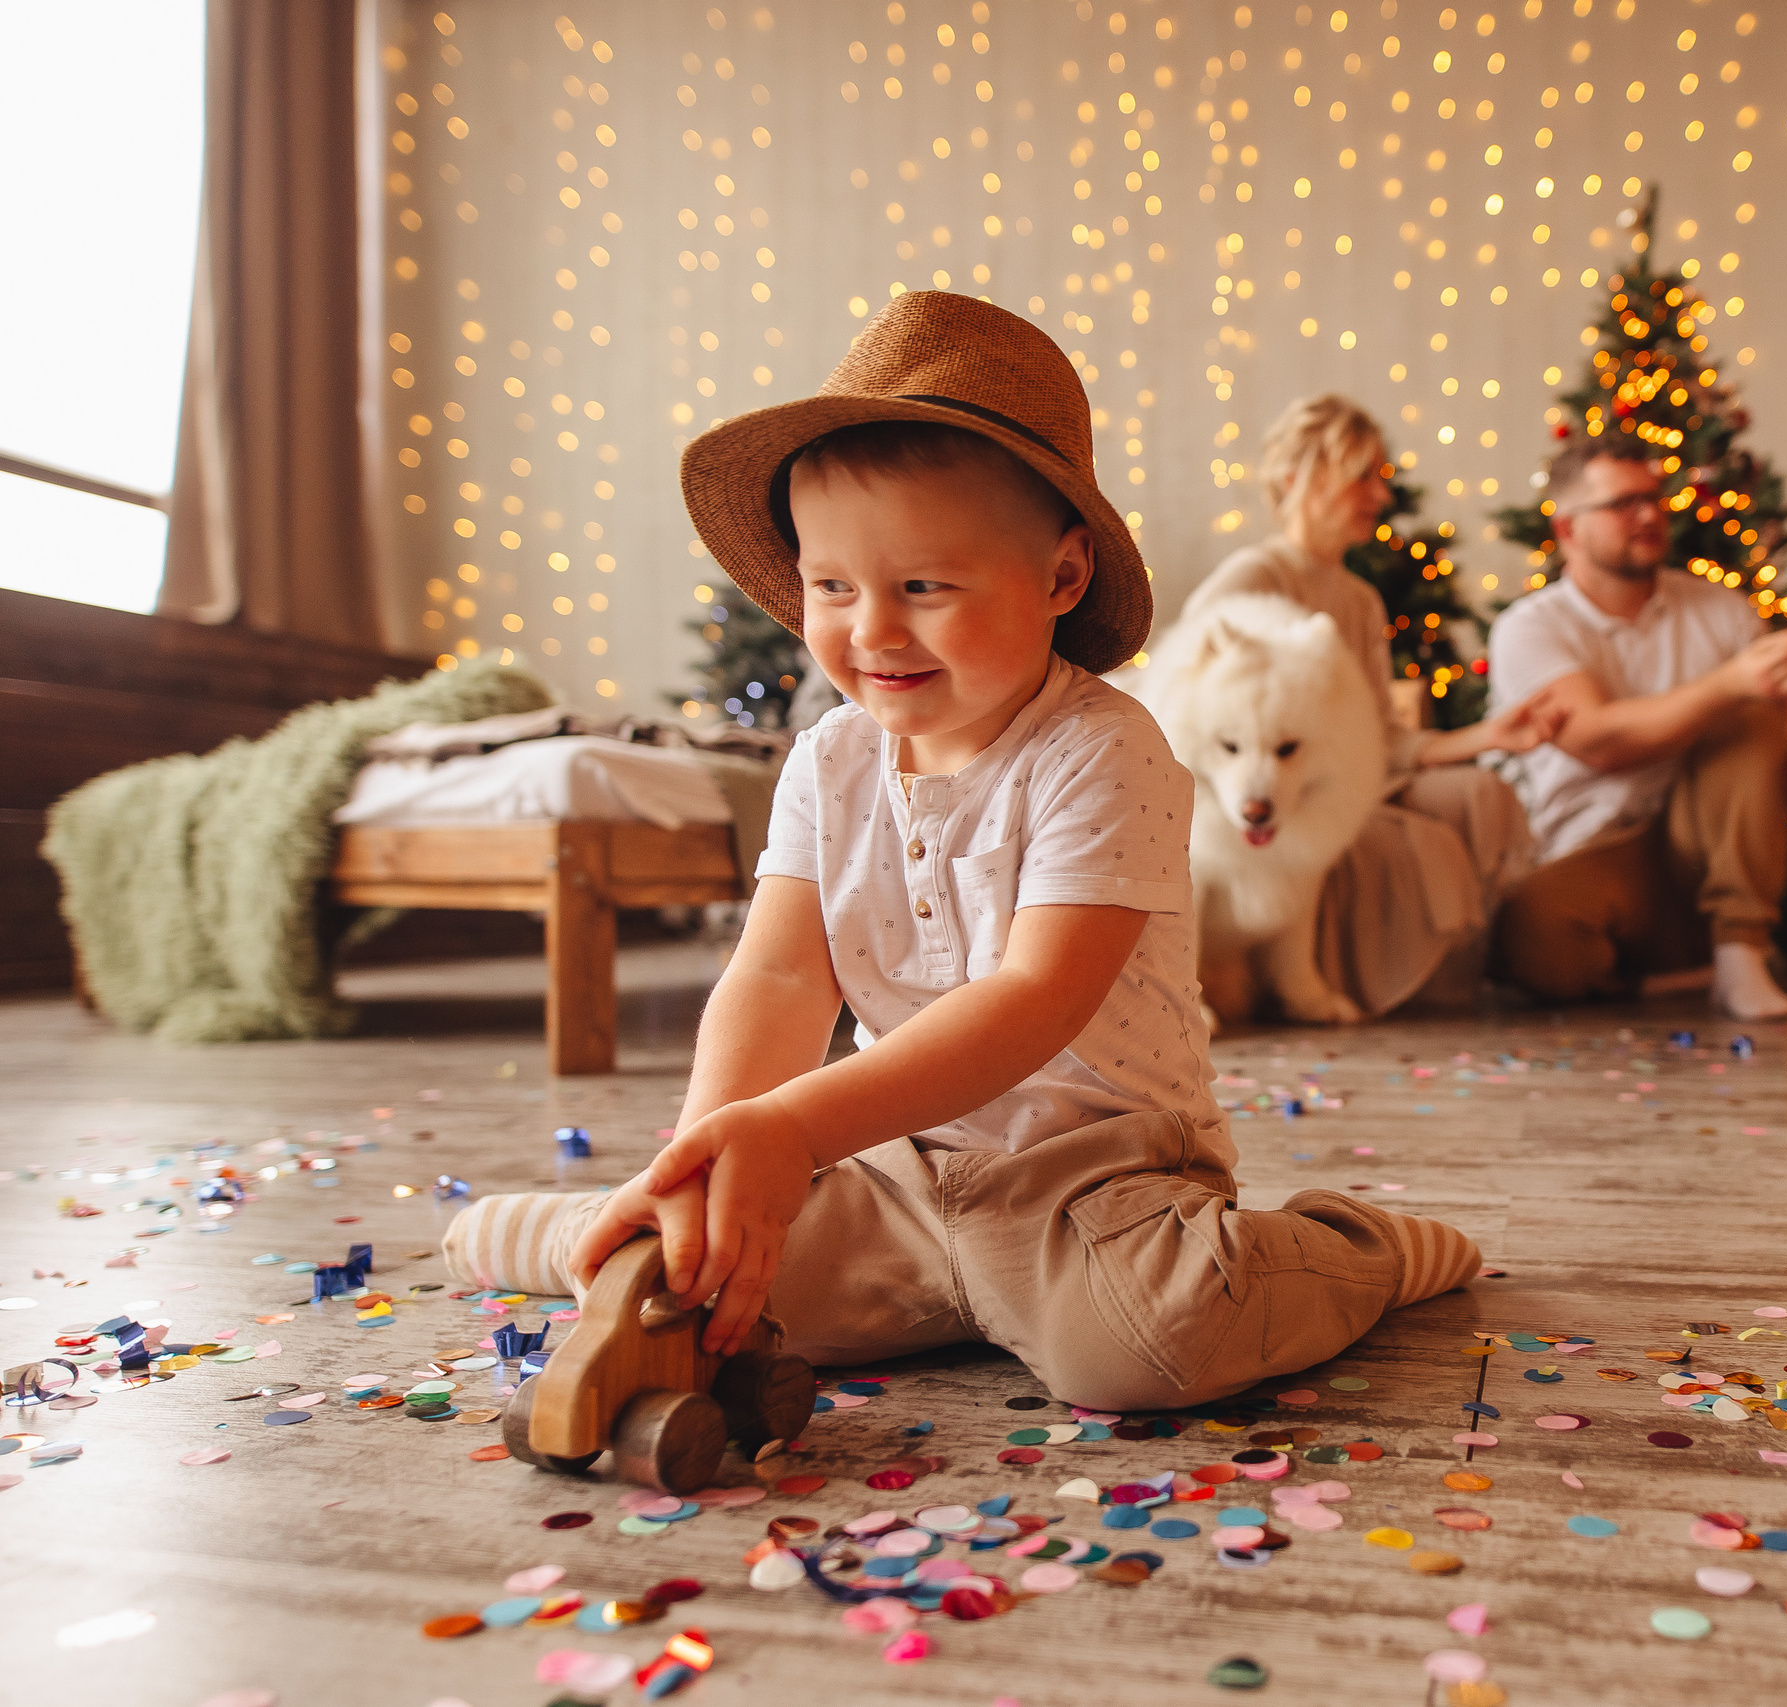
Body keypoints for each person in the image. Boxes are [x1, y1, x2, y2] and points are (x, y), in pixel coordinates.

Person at [440, 293, 1479, 1406]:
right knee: (720, 1270)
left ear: (1061, 579)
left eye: (923, 587)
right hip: (899, 1159)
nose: (872, 631)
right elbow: (781, 974)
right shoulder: (829, 762)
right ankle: (623, 1227)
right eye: (831, 586)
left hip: (1098, 1179)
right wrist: (711, 1156)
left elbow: (1038, 996)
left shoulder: (1106, 749)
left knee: (1147, 1348)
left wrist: (791, 1130)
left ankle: (1353, 1248)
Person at [1181, 395, 1559, 1016]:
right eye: (1363, 477)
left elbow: (1386, 738)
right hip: (1271, 788)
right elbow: (1194, 711)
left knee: (1478, 793)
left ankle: (1453, 986)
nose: (1379, 498)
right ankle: (1308, 982)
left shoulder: (1360, 600)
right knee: (1406, 837)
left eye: (1380, 479)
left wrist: (1493, 736)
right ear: (1296, 479)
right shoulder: (1250, 578)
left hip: (1350, 776)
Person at [1487, 435, 1787, 1019]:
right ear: (1568, 531)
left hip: (1700, 843)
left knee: (1754, 708)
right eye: (1624, 504)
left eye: (1655, 498)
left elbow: (1773, 722)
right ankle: (1677, 974)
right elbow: (1601, 742)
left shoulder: (1721, 609)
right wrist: (1726, 684)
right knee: (1538, 943)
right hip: (1595, 848)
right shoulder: (1529, 628)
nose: (1651, 515)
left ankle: (1739, 949)